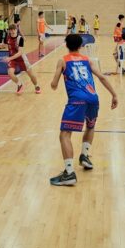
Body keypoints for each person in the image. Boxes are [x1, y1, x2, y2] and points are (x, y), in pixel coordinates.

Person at [49, 34, 118, 186]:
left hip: (77, 101)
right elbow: (102, 77)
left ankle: (69, 173)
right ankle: (84, 156)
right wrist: (114, 94)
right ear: (81, 46)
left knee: (65, 135)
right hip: (93, 98)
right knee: (90, 126)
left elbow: (54, 84)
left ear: (66, 45)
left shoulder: (63, 60)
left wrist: (55, 82)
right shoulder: (88, 60)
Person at [5, 25, 41, 94]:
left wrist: (9, 58)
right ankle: (19, 85)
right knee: (10, 73)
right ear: (9, 31)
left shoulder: (20, 38)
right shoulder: (7, 38)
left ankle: (36, 85)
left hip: (21, 58)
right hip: (12, 59)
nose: (12, 31)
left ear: (16, 30)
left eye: (14, 29)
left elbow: (20, 52)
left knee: (31, 74)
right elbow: (4, 45)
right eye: (11, 30)